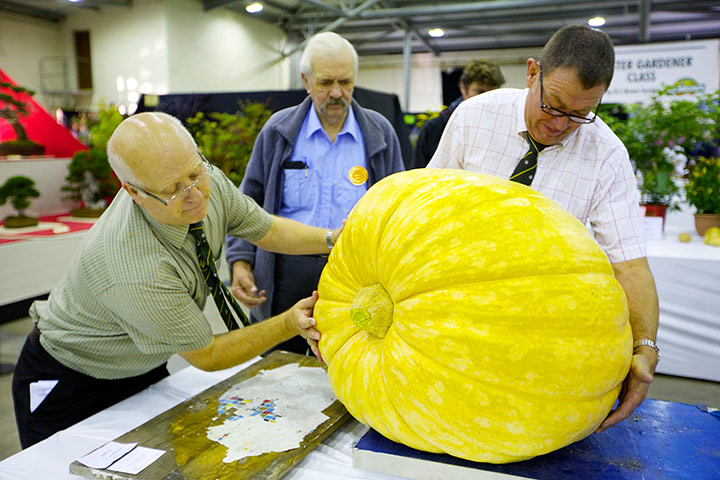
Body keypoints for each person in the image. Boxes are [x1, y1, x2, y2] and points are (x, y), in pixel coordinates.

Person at [11, 112, 339, 448]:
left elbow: (265, 228)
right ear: (133, 192)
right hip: (73, 383)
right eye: (173, 190)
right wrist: (287, 323)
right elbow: (207, 354)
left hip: (142, 366)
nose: (195, 195)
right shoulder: (133, 266)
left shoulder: (196, 178)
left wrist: (333, 239)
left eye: (196, 173)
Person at [427, 25, 660, 433]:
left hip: (534, 332)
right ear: (532, 73)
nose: (559, 125)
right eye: (553, 105)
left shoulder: (607, 155)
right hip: (444, 312)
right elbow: (424, 208)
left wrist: (645, 347)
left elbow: (629, 264)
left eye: (580, 115)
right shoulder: (474, 116)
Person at [226, 32, 405, 355]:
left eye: (346, 82)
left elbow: (398, 208)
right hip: (285, 275)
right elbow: (246, 203)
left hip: (357, 279)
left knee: (347, 366)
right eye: (325, 83)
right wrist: (240, 261)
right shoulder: (279, 132)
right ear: (306, 80)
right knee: (277, 372)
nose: (336, 93)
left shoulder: (379, 134)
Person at [411, 59, 505, 169]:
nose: (486, 99)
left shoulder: (503, 128)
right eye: (480, 92)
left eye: (492, 93)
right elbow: (418, 175)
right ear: (463, 88)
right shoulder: (435, 128)